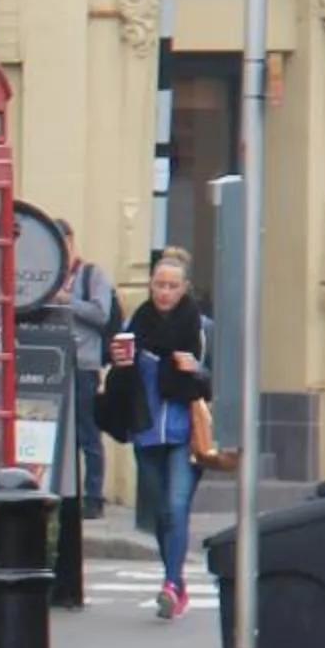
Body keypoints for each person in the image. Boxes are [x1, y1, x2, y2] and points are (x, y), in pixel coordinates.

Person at [104, 248, 210, 620]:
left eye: (172, 286)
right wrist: (119, 362)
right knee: (163, 513)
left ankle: (169, 583)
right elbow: (119, 378)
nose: (164, 292)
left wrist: (196, 370)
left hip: (184, 432)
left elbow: (220, 383)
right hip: (146, 429)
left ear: (185, 289)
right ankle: (176, 582)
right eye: (158, 285)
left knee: (178, 506)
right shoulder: (138, 323)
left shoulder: (199, 328)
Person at [56, 220, 120, 519]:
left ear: (70, 241)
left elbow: (100, 312)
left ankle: (93, 496)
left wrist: (67, 301)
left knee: (88, 433)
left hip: (84, 364)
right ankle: (61, 492)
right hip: (54, 363)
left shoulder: (91, 274)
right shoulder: (50, 276)